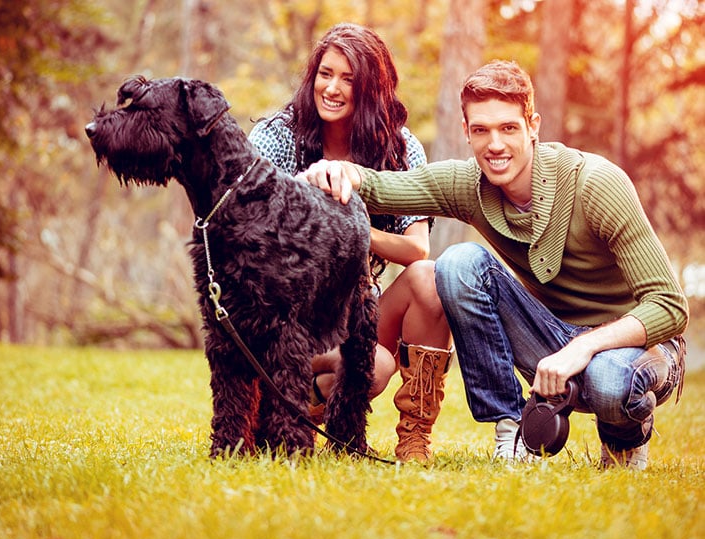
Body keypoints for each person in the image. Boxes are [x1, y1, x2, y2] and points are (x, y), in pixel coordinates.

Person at [299, 59, 688, 469]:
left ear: (533, 125)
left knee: (609, 380)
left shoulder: (595, 184)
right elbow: (382, 188)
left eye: (508, 128)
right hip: (550, 334)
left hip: (636, 344)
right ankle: (512, 433)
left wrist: (583, 347)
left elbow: (669, 305)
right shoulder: (469, 185)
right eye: (481, 130)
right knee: (459, 262)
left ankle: (625, 439)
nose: (495, 145)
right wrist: (337, 170)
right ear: (465, 131)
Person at [249, 22, 452, 462]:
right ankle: (274, 410)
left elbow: (417, 248)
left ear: (373, 89)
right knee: (362, 359)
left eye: (349, 79)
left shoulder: (400, 148)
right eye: (325, 74)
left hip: (357, 308)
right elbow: (248, 227)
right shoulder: (277, 135)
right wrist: (309, 204)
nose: (333, 88)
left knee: (427, 282)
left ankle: (412, 436)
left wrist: (350, 226)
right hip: (285, 312)